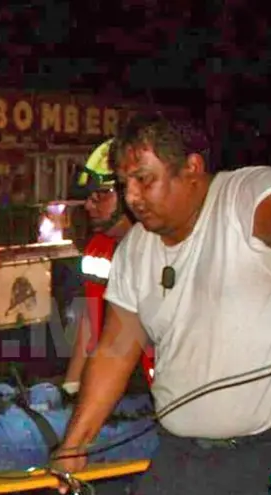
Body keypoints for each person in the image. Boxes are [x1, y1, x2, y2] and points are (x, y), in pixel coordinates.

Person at [59, 114, 271, 495]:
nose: (132, 197)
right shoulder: (138, 249)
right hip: (178, 459)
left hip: (260, 461)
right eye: (124, 183)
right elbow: (117, 346)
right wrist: (77, 440)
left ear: (193, 170)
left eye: (145, 178)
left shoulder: (243, 197)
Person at [63, 138, 155, 395]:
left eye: (101, 195)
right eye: (88, 197)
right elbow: (90, 322)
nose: (89, 205)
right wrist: (70, 388)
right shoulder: (99, 248)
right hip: (120, 382)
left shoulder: (159, 249)